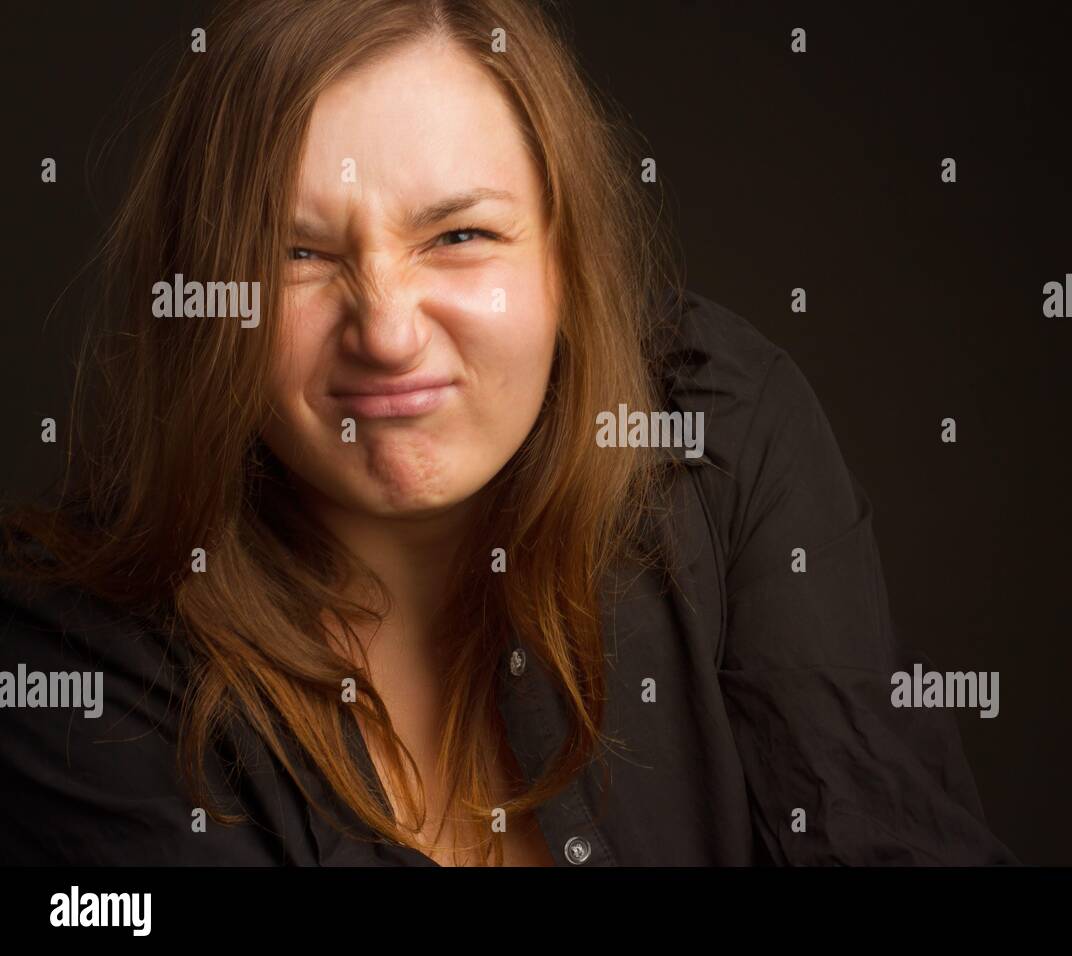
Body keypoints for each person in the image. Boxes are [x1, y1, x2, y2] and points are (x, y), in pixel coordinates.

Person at [0, 0, 1016, 867]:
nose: (388, 332)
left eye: (459, 236)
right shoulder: (75, 664)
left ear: (565, 261)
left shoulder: (713, 432)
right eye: (298, 253)